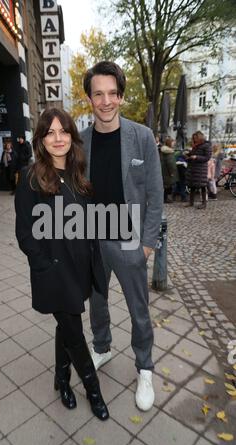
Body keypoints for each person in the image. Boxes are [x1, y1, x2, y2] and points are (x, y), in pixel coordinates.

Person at [15, 108, 109, 421]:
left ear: (72, 136)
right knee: (74, 331)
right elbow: (25, 234)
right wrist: (44, 266)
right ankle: (92, 390)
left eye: (64, 131)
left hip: (79, 268)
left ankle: (60, 379)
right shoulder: (31, 178)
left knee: (66, 324)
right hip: (56, 272)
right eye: (50, 132)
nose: (58, 139)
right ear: (41, 140)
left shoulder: (77, 172)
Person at [80, 61, 163, 411]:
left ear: (121, 96)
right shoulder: (80, 141)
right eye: (98, 94)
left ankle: (144, 366)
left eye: (112, 93)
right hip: (92, 239)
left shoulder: (141, 137)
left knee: (138, 310)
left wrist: (147, 245)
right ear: (89, 98)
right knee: (96, 303)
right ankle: (102, 347)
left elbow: (156, 196)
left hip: (130, 240)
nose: (106, 101)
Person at [185, 131, 211, 209]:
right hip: (193, 168)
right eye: (193, 138)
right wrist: (188, 154)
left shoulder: (206, 145)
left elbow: (207, 157)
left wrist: (196, 157)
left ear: (200, 137)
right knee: (192, 185)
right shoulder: (195, 145)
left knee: (202, 186)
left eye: (196, 138)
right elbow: (193, 154)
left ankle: (204, 203)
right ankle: (191, 202)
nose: (194, 139)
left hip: (201, 169)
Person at [160, 137, 178, 203]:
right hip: (168, 171)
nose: (174, 143)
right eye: (173, 142)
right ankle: (166, 198)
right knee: (168, 185)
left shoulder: (164, 151)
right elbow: (170, 163)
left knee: (165, 185)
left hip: (164, 170)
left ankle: (165, 198)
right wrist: (172, 172)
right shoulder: (169, 152)